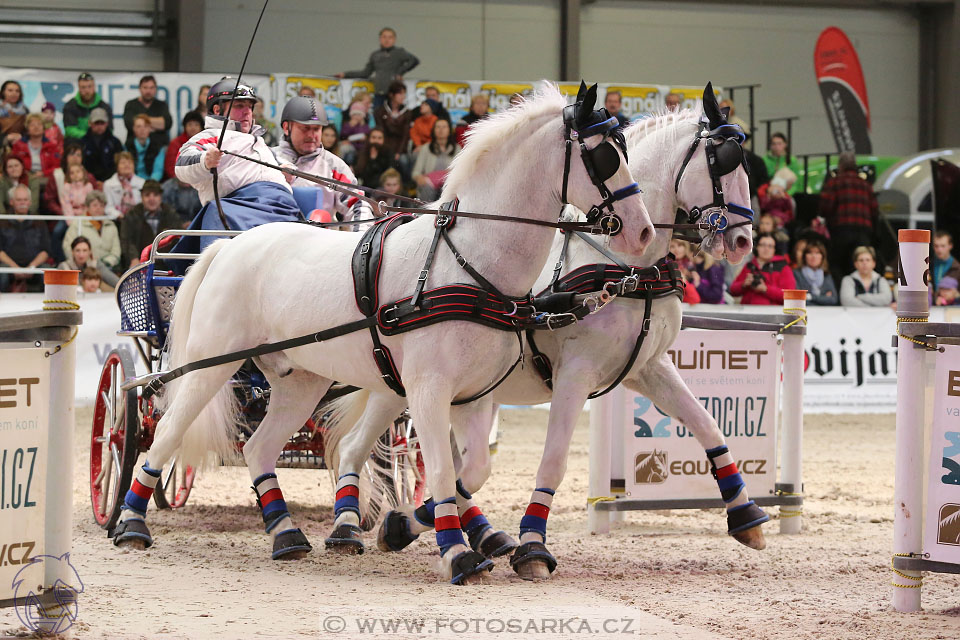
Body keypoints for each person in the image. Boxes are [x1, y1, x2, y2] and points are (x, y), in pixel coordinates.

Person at [173, 78, 301, 255]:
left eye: (250, 106)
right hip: (241, 207)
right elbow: (181, 164)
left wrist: (285, 168)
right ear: (218, 110)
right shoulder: (210, 136)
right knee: (215, 213)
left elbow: (277, 162)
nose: (247, 112)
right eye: (239, 106)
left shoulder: (260, 142)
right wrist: (205, 160)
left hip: (283, 206)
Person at [272, 96, 372, 223]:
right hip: (275, 239)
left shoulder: (335, 166)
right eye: (305, 128)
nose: (311, 135)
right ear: (286, 128)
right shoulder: (267, 158)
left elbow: (358, 205)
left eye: (316, 129)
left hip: (321, 240)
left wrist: (363, 240)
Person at [819, 151, 878, 280]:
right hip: (863, 231)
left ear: (840, 165)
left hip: (841, 230)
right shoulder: (866, 185)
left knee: (836, 263)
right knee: (860, 263)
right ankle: (857, 293)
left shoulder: (834, 183)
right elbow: (874, 210)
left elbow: (825, 208)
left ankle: (841, 291)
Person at [336, 27, 420, 109]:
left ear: (394, 39)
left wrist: (400, 72)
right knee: (377, 116)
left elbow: (414, 60)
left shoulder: (399, 52)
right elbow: (365, 73)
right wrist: (346, 74)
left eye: (390, 37)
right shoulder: (375, 55)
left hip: (394, 93)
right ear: (380, 39)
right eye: (384, 37)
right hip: (379, 92)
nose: (387, 40)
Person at [0, 184, 50, 292]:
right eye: (19, 200)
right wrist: (15, 268)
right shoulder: (2, 220)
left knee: (48, 272)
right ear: (11, 202)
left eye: (25, 200)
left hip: (34, 267)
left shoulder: (39, 221)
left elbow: (45, 251)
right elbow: (0, 252)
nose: (22, 203)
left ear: (30, 202)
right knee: (1, 274)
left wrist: (31, 267)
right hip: (9, 267)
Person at [121, 180, 181, 268]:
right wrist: (133, 258)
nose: (151, 199)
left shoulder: (171, 215)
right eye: (147, 195)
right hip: (140, 265)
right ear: (142, 197)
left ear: (160, 197)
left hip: (167, 265)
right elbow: (126, 240)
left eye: (155, 195)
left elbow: (178, 240)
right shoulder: (131, 215)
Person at [730, 232, 796, 305]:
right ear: (757, 247)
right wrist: (744, 284)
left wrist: (765, 289)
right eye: (763, 245)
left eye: (770, 246)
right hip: (748, 310)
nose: (766, 249)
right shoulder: (750, 265)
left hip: (772, 313)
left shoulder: (783, 267)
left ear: (774, 249)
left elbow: (790, 296)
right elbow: (732, 290)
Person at [62, 190, 121, 271]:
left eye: (101, 205)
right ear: (87, 207)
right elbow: (67, 248)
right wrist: (83, 263)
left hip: (107, 267)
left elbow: (116, 251)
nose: (98, 208)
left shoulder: (111, 226)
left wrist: (106, 263)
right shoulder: (77, 224)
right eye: (95, 205)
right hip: (84, 269)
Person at [42, 141, 97, 216]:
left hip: (86, 215)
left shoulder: (89, 177)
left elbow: (95, 199)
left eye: (78, 155)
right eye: (71, 154)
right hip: (62, 215)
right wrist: (64, 212)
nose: (75, 157)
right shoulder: (56, 175)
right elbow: (49, 200)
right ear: (65, 157)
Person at [411, 118, 459, 201]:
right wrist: (419, 178)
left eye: (444, 127)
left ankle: (448, 213)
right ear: (433, 130)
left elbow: (460, 171)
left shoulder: (457, 148)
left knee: (449, 187)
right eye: (438, 127)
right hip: (429, 183)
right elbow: (416, 172)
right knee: (427, 187)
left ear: (449, 130)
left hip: (449, 182)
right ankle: (426, 213)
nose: (441, 130)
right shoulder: (425, 148)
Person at [122, 75, 172, 147]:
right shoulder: (131, 104)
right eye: (145, 87)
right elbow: (129, 124)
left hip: (159, 147)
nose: (148, 91)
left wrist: (140, 122)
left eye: (151, 88)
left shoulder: (162, 105)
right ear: (140, 89)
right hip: (134, 148)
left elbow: (167, 124)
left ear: (155, 89)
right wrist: (157, 124)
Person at [63, 72, 113, 141]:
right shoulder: (70, 106)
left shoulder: (104, 107)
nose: (87, 90)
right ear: (79, 88)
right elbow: (70, 130)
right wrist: (89, 137)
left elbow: (110, 129)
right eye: (83, 87)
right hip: (78, 143)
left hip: (99, 143)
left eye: (89, 86)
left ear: (94, 87)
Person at [10, 114, 61, 181]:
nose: (36, 127)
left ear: (44, 128)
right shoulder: (19, 145)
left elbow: (56, 166)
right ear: (27, 129)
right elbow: (13, 163)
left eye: (39, 124)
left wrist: (43, 173)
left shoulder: (51, 146)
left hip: (46, 177)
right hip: (24, 177)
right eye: (32, 125)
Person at [374, 81, 413, 165]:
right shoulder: (380, 111)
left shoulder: (407, 113)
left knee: (404, 161)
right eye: (400, 94)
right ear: (391, 95)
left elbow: (405, 135)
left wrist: (399, 152)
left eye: (404, 94)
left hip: (400, 148)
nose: (403, 97)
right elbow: (382, 132)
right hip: (385, 147)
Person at [81, 108, 124, 182]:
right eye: (96, 123)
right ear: (90, 123)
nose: (99, 126)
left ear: (107, 123)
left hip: (112, 181)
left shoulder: (115, 142)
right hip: (87, 181)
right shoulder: (82, 142)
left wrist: (107, 181)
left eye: (102, 123)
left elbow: (119, 164)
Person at [792, 239, 838, 306]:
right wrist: (824, 298)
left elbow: (833, 299)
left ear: (822, 257)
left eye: (817, 253)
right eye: (810, 253)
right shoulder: (796, 274)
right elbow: (798, 300)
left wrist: (810, 297)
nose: (813, 256)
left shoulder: (826, 275)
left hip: (825, 314)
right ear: (804, 256)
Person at [164, 111, 204, 180]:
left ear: (201, 127)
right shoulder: (175, 143)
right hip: (179, 180)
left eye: (196, 125)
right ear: (185, 127)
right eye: (190, 124)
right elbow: (170, 167)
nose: (193, 128)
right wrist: (181, 179)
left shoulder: (207, 143)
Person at [103, 151, 144, 219]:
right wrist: (120, 216)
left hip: (139, 219)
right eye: (123, 163)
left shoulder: (142, 183)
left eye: (130, 162)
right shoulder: (108, 184)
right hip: (117, 220)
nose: (127, 165)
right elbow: (108, 207)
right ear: (117, 166)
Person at [125, 113, 165, 182]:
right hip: (132, 182)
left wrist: (148, 185)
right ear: (134, 129)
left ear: (150, 129)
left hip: (151, 184)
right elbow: (126, 169)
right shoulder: (127, 147)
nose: (142, 129)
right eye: (138, 126)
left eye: (145, 126)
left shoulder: (158, 147)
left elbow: (158, 171)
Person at [669, 239, 702, 304]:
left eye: (680, 245)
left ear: (685, 247)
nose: (676, 249)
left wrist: (697, 283)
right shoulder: (666, 266)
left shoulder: (692, 266)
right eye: (672, 246)